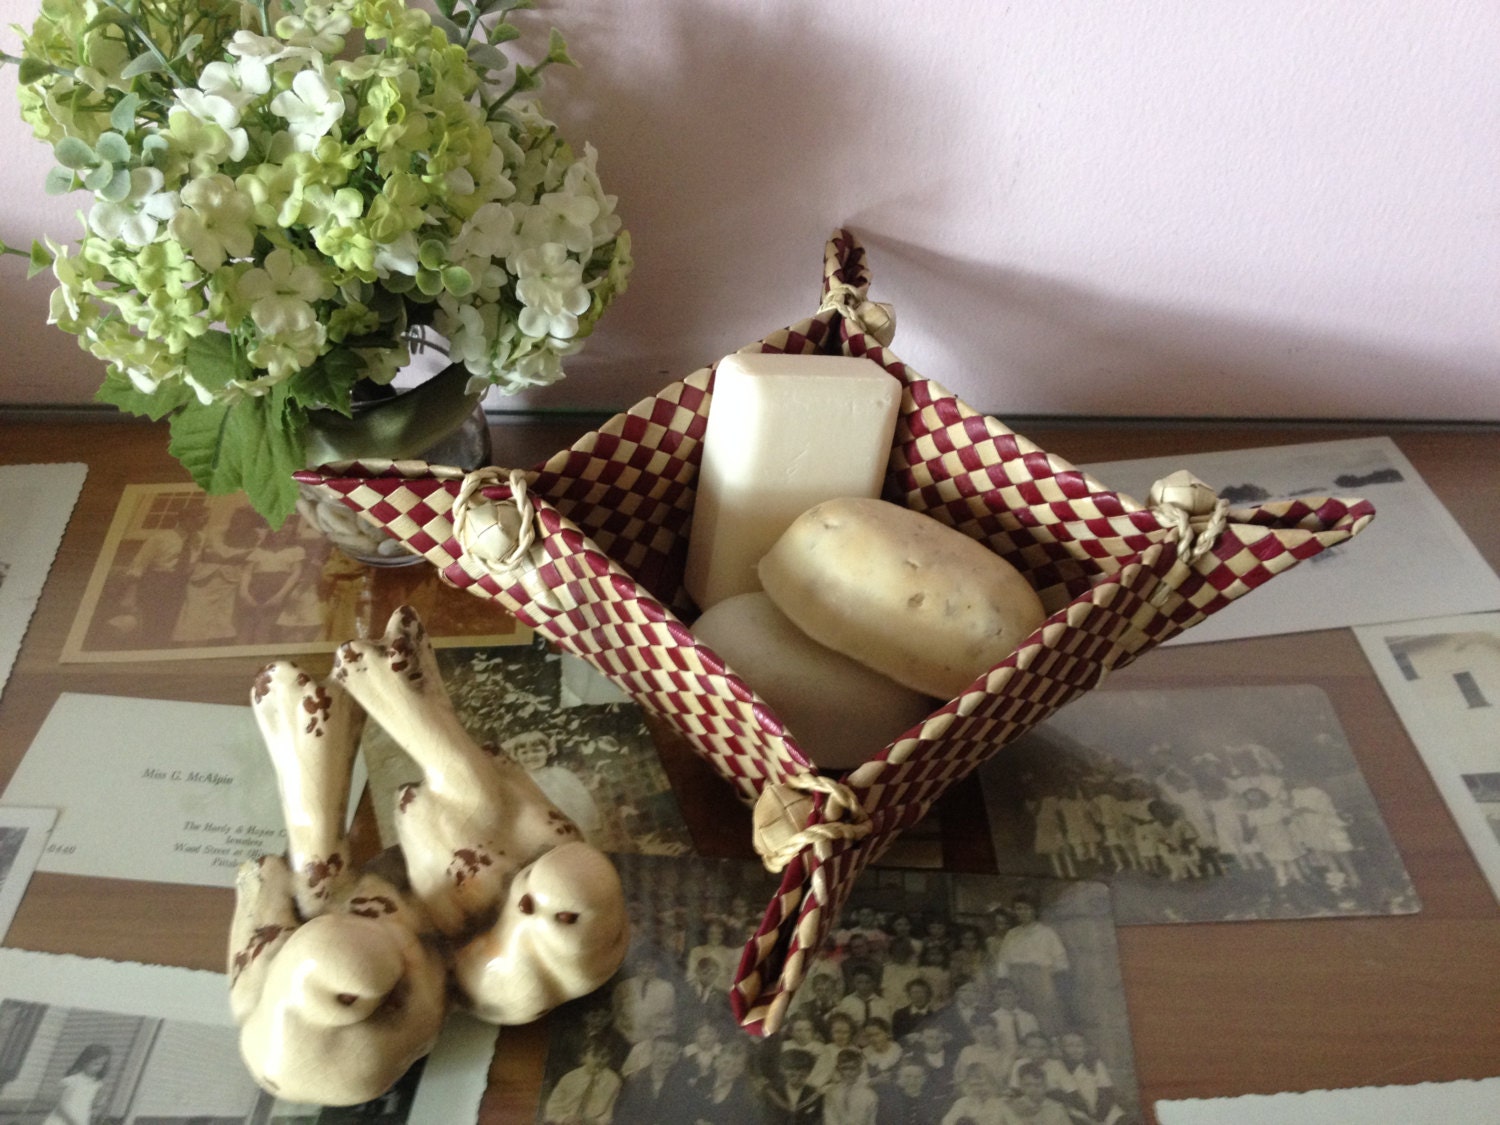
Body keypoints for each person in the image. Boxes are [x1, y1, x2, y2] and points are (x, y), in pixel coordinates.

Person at [503, 730, 604, 838]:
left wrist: (585, 828)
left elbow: (581, 803)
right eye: (524, 752)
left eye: (537, 751)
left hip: (565, 832)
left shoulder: (561, 775)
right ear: (516, 755)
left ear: (548, 751)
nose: (531, 756)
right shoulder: (515, 781)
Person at [995, 894, 1070, 1038]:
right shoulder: (1012, 933)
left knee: (1044, 1010)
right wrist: (1003, 979)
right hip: (1016, 977)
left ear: (1035, 910)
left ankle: (1048, 1039)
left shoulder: (1046, 932)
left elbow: (1060, 960)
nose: (1022, 912)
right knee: (1021, 1010)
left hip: (1040, 977)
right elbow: (1003, 959)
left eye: (1027, 908)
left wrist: (1049, 978)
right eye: (1019, 908)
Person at [1052, 1031, 1125, 1124]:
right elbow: (1071, 1097)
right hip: (1078, 1113)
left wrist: (1100, 1117)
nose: (1075, 1050)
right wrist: (1088, 1118)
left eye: (1079, 1045)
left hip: (1103, 1111)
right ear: (1062, 1048)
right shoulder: (1058, 1066)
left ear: (1085, 1047)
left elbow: (1106, 1092)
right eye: (1070, 1046)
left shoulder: (1095, 1064)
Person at [543, 1044, 622, 1125]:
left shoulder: (613, 1081)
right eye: (594, 1055)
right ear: (583, 1057)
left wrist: (594, 1122)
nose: (599, 1060)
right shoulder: (569, 1078)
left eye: (604, 1056)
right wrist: (565, 1118)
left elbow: (610, 1113)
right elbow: (553, 1105)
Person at [44, 1043, 110, 1125]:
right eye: (96, 1064)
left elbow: (97, 1101)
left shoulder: (97, 1084)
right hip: (62, 1119)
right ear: (84, 1062)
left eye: (102, 1064)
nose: (99, 1067)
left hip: (81, 1118)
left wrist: (97, 1108)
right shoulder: (72, 1080)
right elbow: (59, 1104)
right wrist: (71, 1121)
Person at [760, 1047, 824, 1124]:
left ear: (809, 1073)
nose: (796, 1079)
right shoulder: (773, 1093)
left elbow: (818, 1120)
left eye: (802, 1076)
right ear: (782, 1070)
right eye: (792, 1075)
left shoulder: (815, 1095)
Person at [875, 1059, 944, 1125]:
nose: (912, 1082)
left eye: (917, 1077)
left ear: (924, 1079)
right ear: (900, 1078)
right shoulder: (890, 1101)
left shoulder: (931, 1101)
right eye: (907, 1077)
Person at [940, 1061, 1010, 1125]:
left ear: (990, 1084)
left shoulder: (1001, 1105)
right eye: (973, 1085)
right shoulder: (961, 1104)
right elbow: (947, 1123)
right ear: (967, 1085)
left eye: (982, 1085)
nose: (978, 1089)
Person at [822, 1048, 879, 1125]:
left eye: (853, 1068)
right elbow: (830, 1119)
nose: (849, 1073)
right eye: (844, 1069)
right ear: (838, 1070)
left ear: (860, 1070)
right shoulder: (831, 1093)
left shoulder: (869, 1095)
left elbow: (871, 1122)